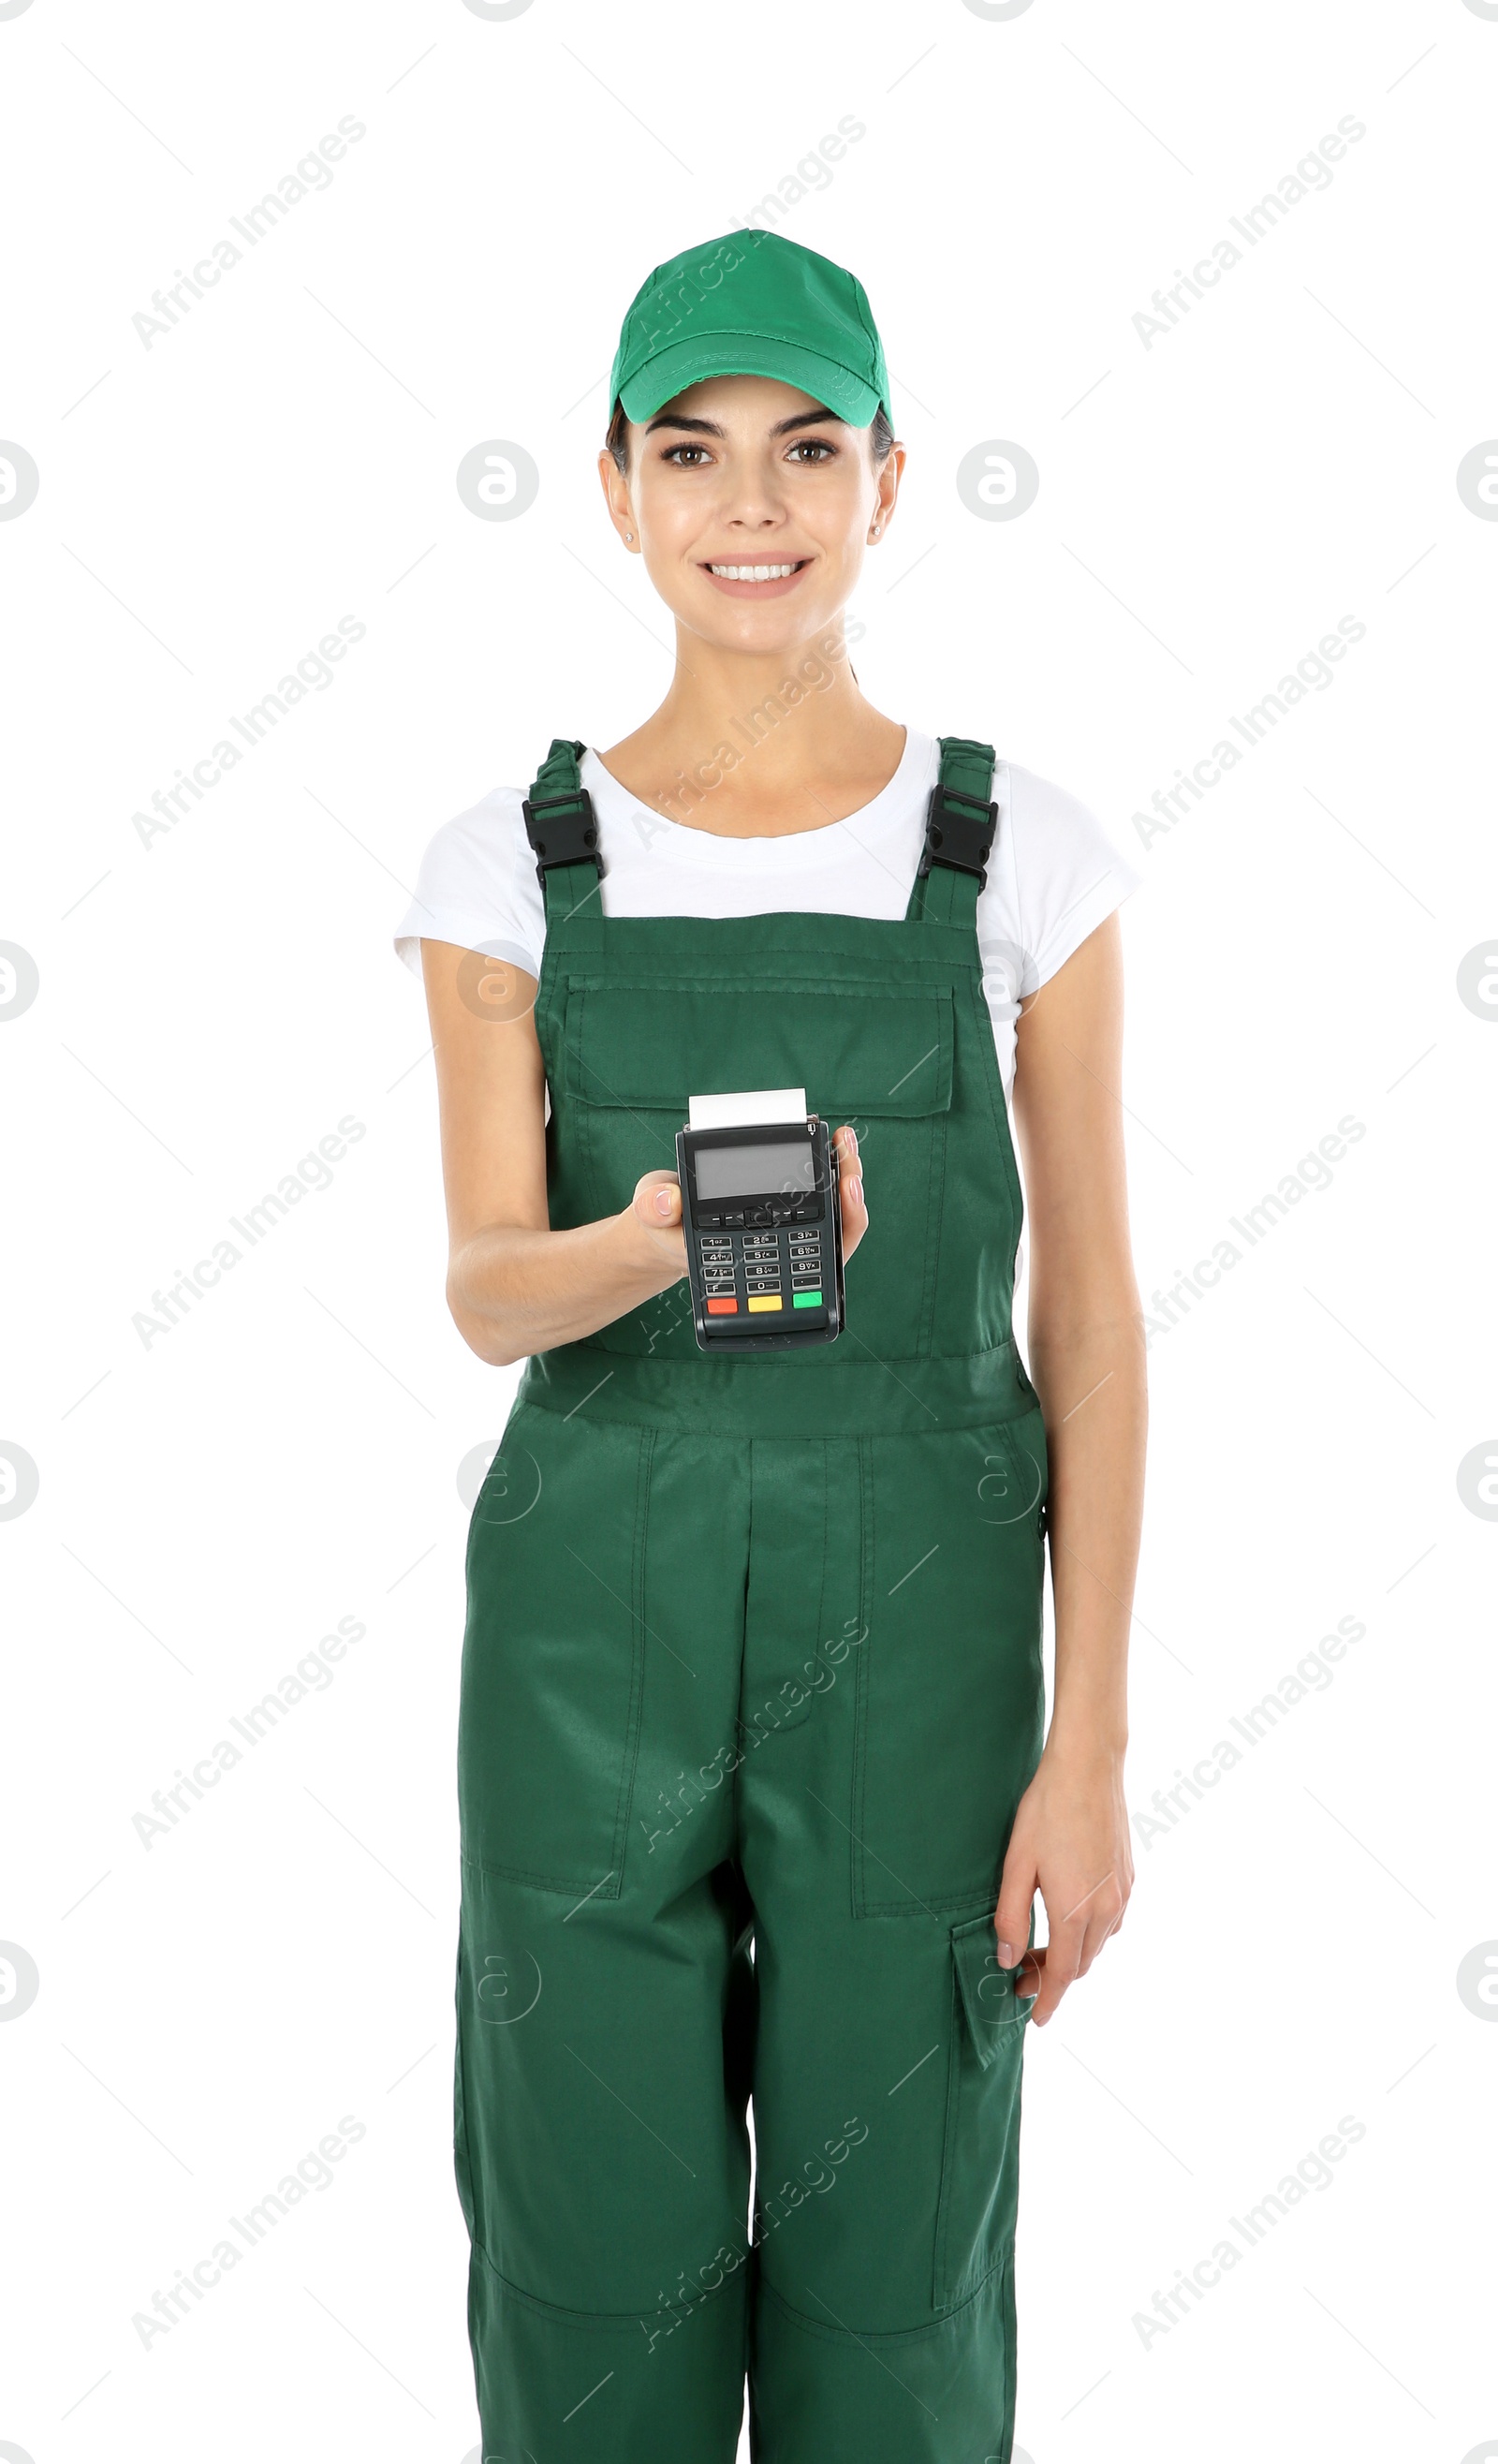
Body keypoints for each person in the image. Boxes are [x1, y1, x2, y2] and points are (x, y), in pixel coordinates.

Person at [392, 228, 1147, 2464]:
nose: (753, 503)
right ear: (613, 483)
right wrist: (645, 1236)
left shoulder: (1014, 854)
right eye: (694, 450)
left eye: (808, 447)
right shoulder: (508, 866)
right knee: (590, 2254)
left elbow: (1088, 1311)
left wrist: (1087, 1741)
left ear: (890, 479)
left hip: (918, 1618)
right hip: (585, 1615)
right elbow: (480, 1285)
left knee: (897, 2259)